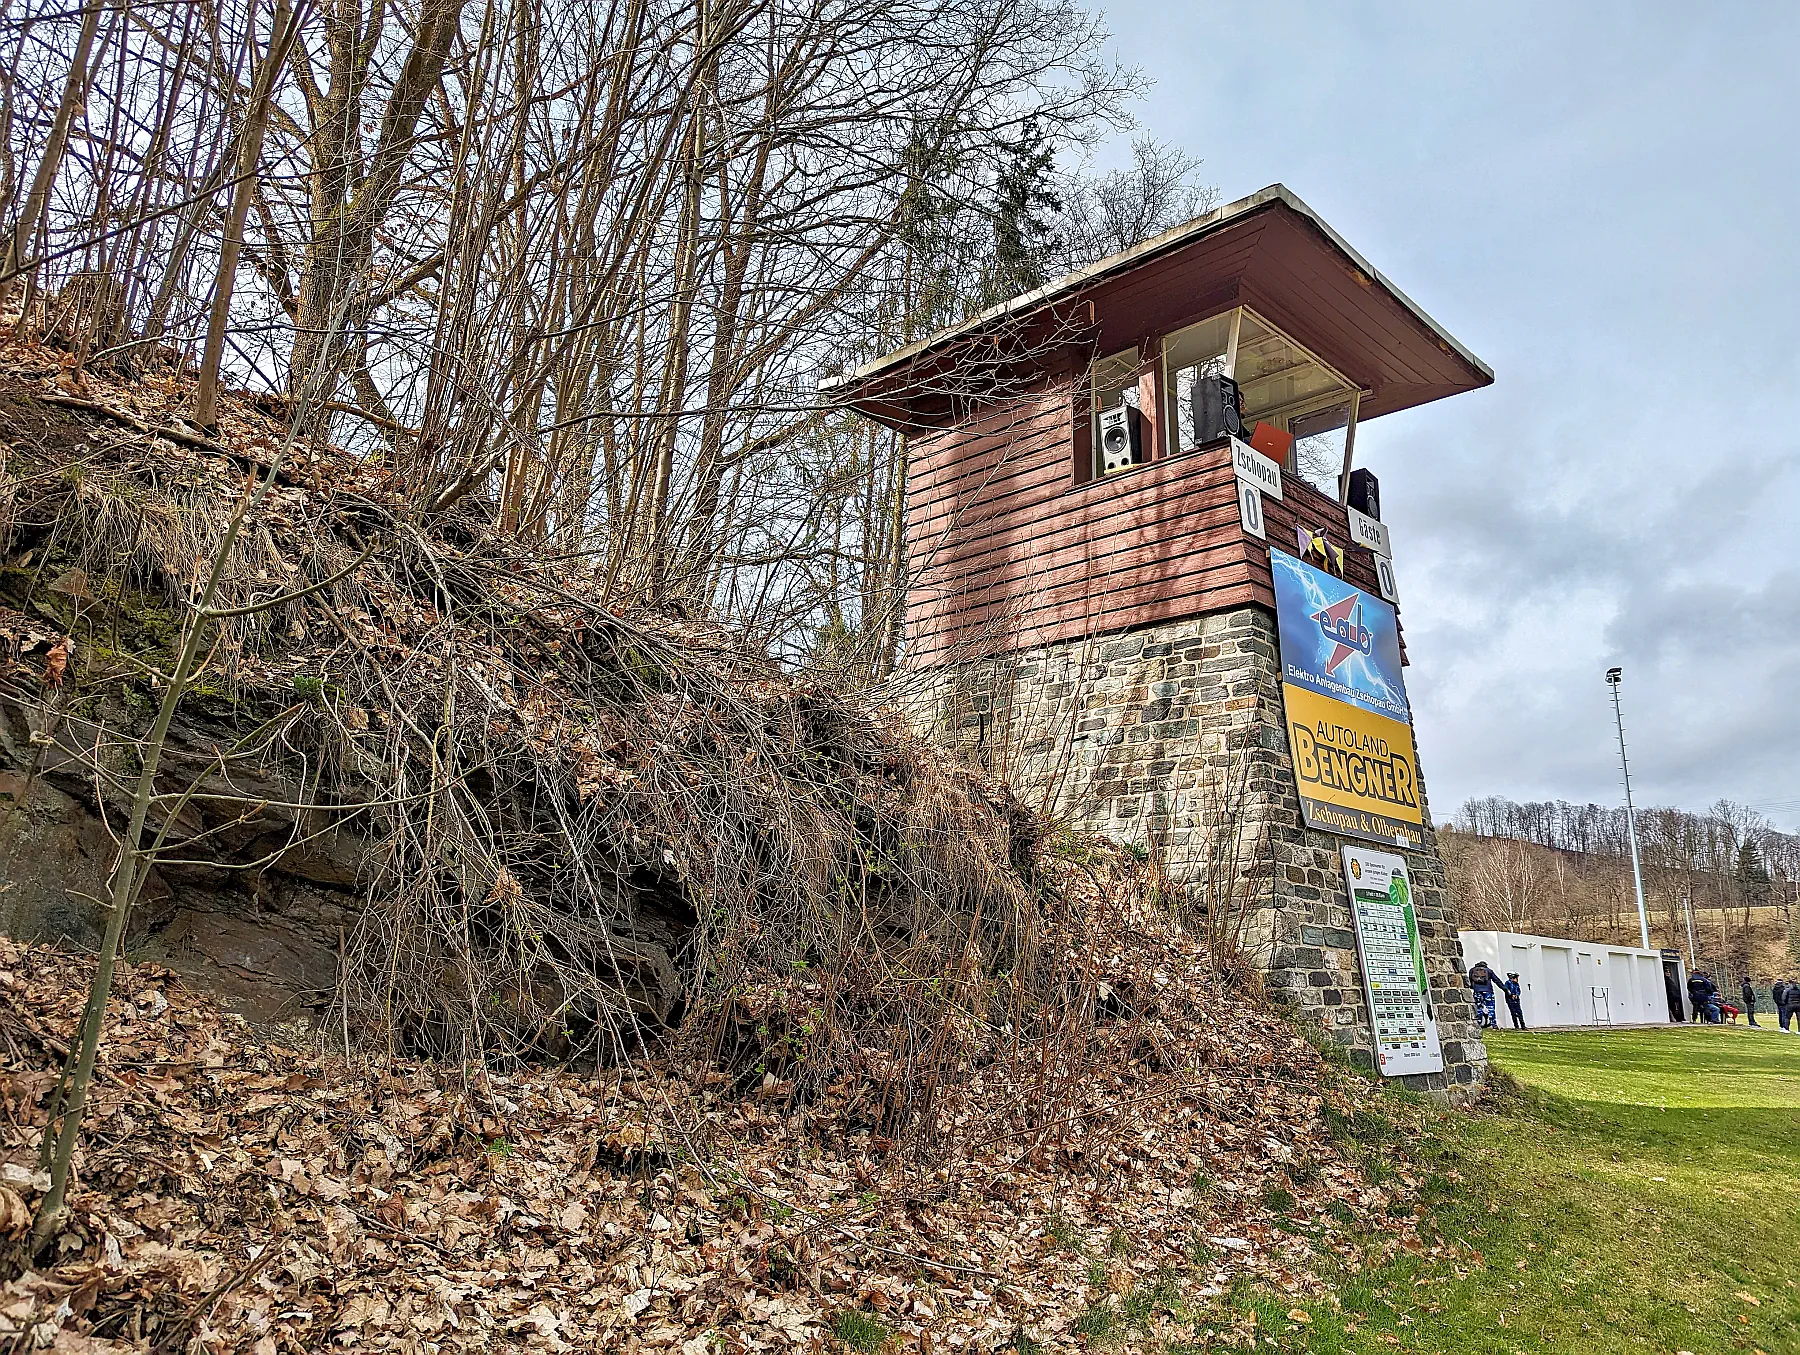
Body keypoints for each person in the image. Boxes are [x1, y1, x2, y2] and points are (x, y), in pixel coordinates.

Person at [1467, 961, 1499, 1029]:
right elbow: (1497, 980)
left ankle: (1478, 1024)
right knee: (1491, 1008)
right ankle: (1494, 1024)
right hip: (1488, 991)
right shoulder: (1489, 971)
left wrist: (1473, 987)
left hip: (1477, 991)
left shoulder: (1472, 970)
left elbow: (1470, 980)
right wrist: (1505, 989)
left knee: (1478, 1008)